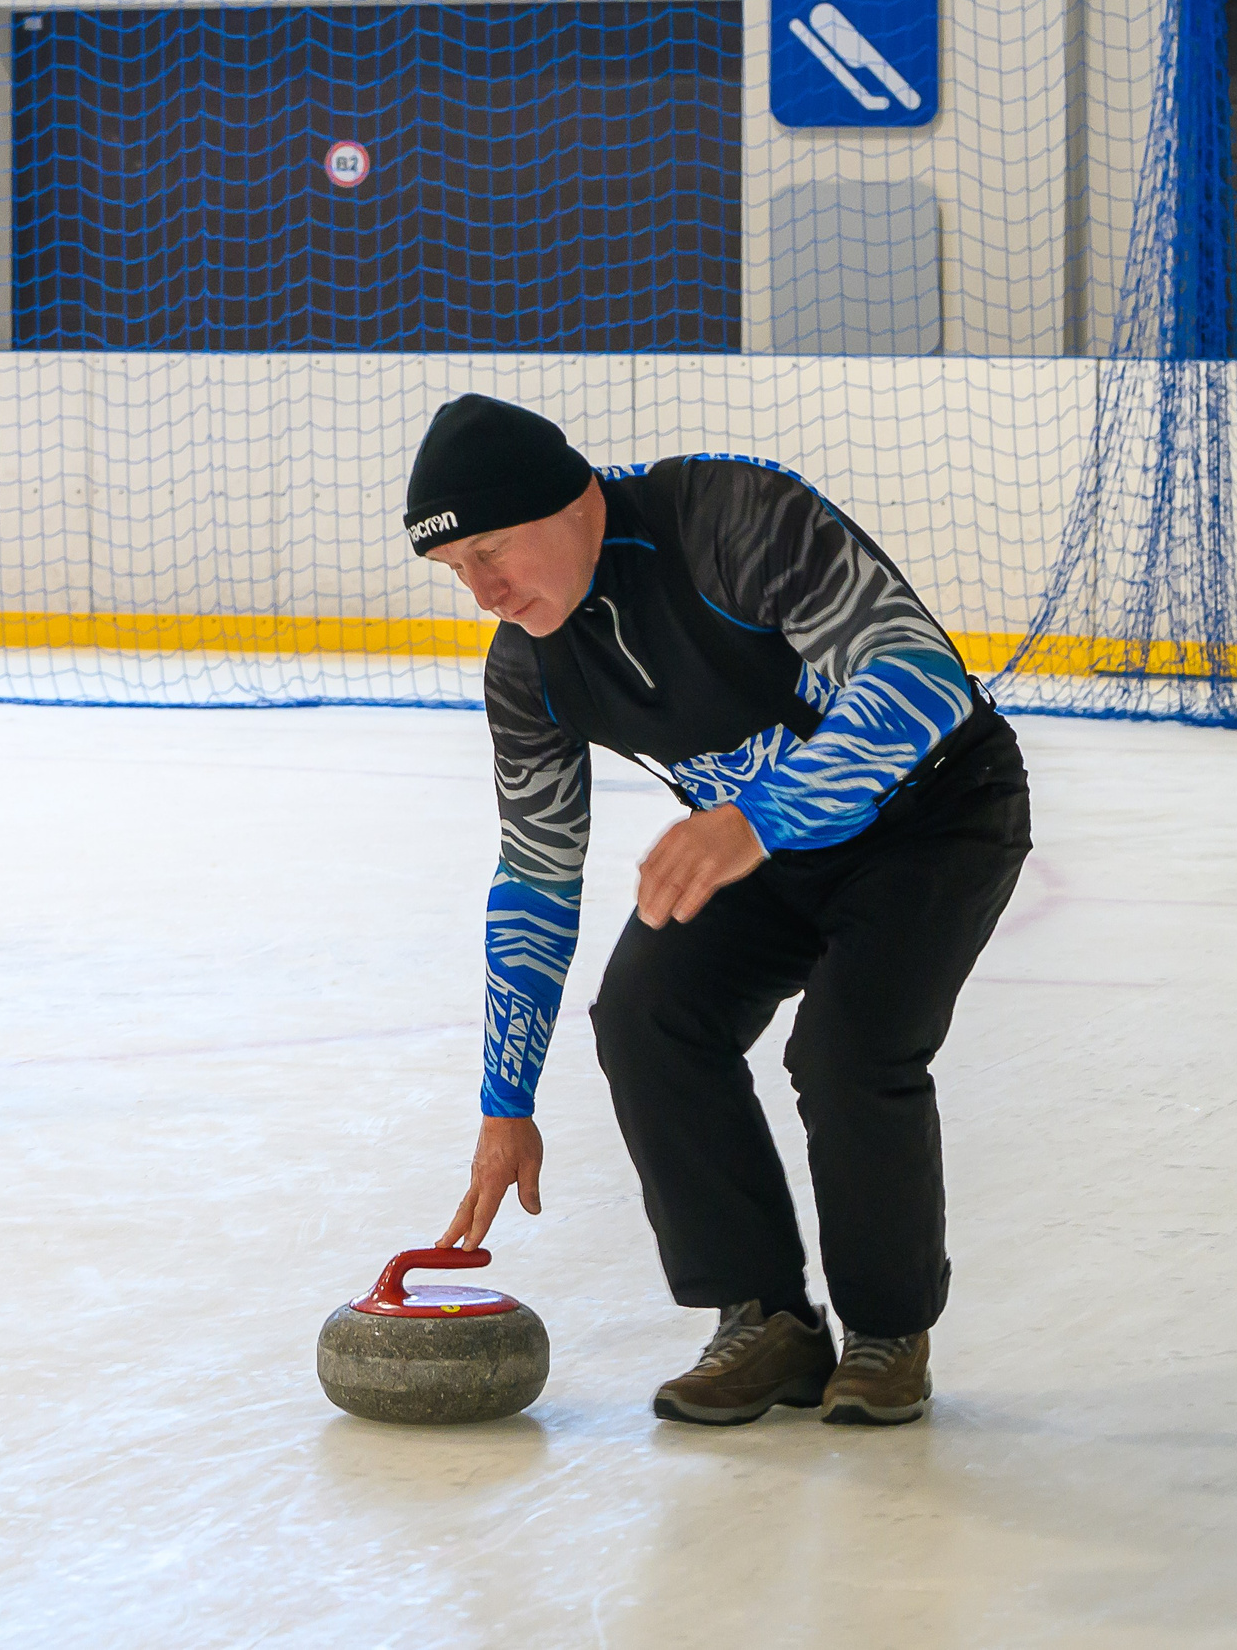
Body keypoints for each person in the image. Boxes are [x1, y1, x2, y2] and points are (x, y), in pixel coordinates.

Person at [414, 395, 1030, 1426]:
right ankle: (764, 1319)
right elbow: (536, 873)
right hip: (758, 845)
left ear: (569, 502)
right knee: (646, 1016)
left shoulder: (724, 518)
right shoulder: (529, 667)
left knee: (846, 1049)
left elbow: (923, 679)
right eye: (454, 570)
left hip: (933, 815)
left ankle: (887, 1333)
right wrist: (504, 1102)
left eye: (491, 551)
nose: (483, 592)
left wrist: (757, 815)